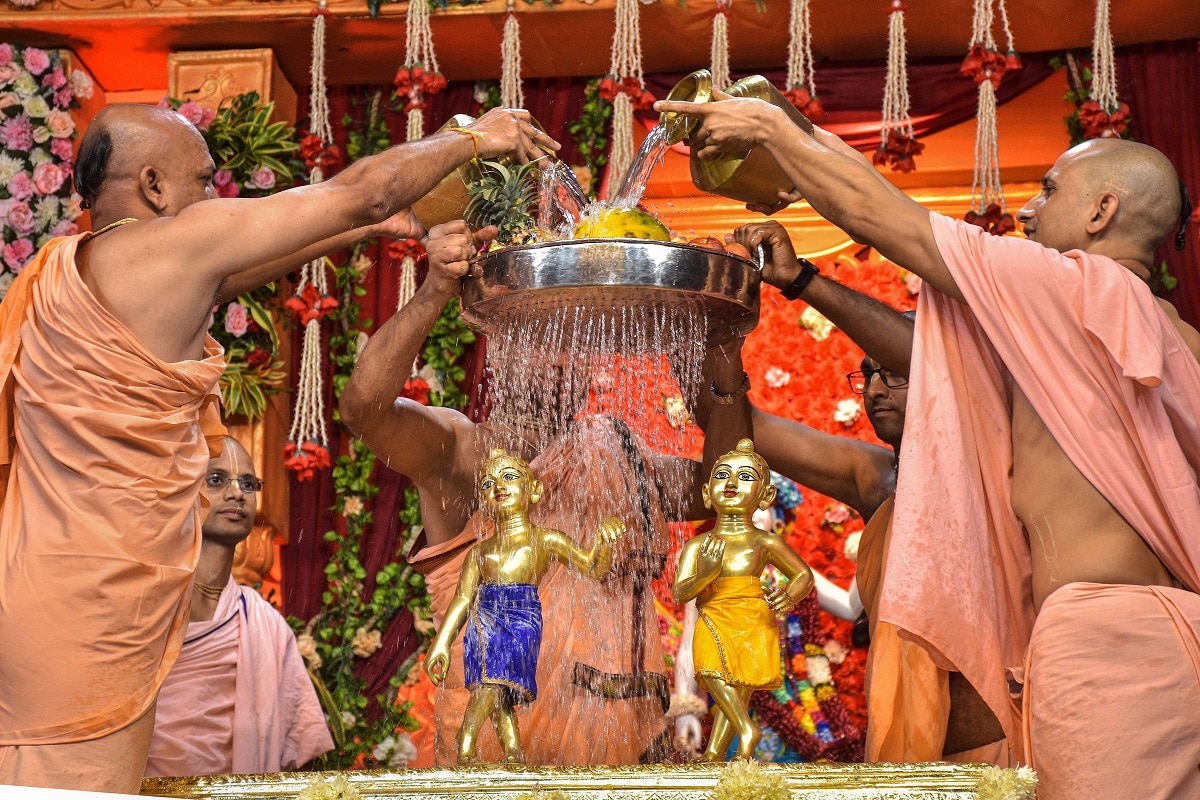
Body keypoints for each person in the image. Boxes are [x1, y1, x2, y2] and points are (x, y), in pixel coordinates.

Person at [656, 93, 1200, 797]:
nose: (1028, 211)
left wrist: (772, 128)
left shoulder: (1063, 287)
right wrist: (805, 279)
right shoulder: (1174, 342)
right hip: (1179, 636)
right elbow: (924, 353)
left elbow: (885, 217)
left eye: (1049, 189)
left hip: (1101, 640)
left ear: (1101, 213)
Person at [0, 102, 554, 793]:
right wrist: (477, 137)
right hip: (97, 611)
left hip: (33, 593)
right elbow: (365, 190)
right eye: (203, 182)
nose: (209, 199)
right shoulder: (175, 243)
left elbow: (244, 268)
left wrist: (366, 228)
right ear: (152, 186)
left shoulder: (70, 270)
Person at [339, 221, 750, 766]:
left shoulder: (615, 450)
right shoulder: (462, 453)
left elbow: (723, 488)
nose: (557, 351)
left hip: (619, 763)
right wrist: (437, 287)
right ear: (499, 341)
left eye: (570, 329)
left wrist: (723, 369)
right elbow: (364, 410)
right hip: (492, 773)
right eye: (537, 327)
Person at [145, 436, 333, 777]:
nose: (237, 494)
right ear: (183, 487)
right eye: (216, 480)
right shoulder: (147, 599)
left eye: (248, 483)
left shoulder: (265, 624)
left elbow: (298, 748)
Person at [424, 448, 625, 764]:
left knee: (496, 680)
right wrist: (441, 643)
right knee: (496, 687)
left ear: (534, 490)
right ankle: (514, 754)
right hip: (483, 616)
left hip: (522, 616)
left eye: (508, 477)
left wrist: (605, 541)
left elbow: (593, 568)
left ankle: (464, 744)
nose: (498, 486)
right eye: (488, 483)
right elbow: (462, 598)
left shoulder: (545, 539)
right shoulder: (481, 552)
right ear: (485, 501)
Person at [672, 438, 814, 761]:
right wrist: (706, 574)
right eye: (723, 475)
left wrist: (789, 596)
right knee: (709, 670)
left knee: (738, 687)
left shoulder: (764, 542)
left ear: (765, 497)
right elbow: (681, 592)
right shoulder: (698, 546)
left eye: (746, 477)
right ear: (708, 493)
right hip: (713, 615)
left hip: (753, 618)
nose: (732, 483)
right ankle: (747, 728)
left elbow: (803, 575)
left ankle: (713, 754)